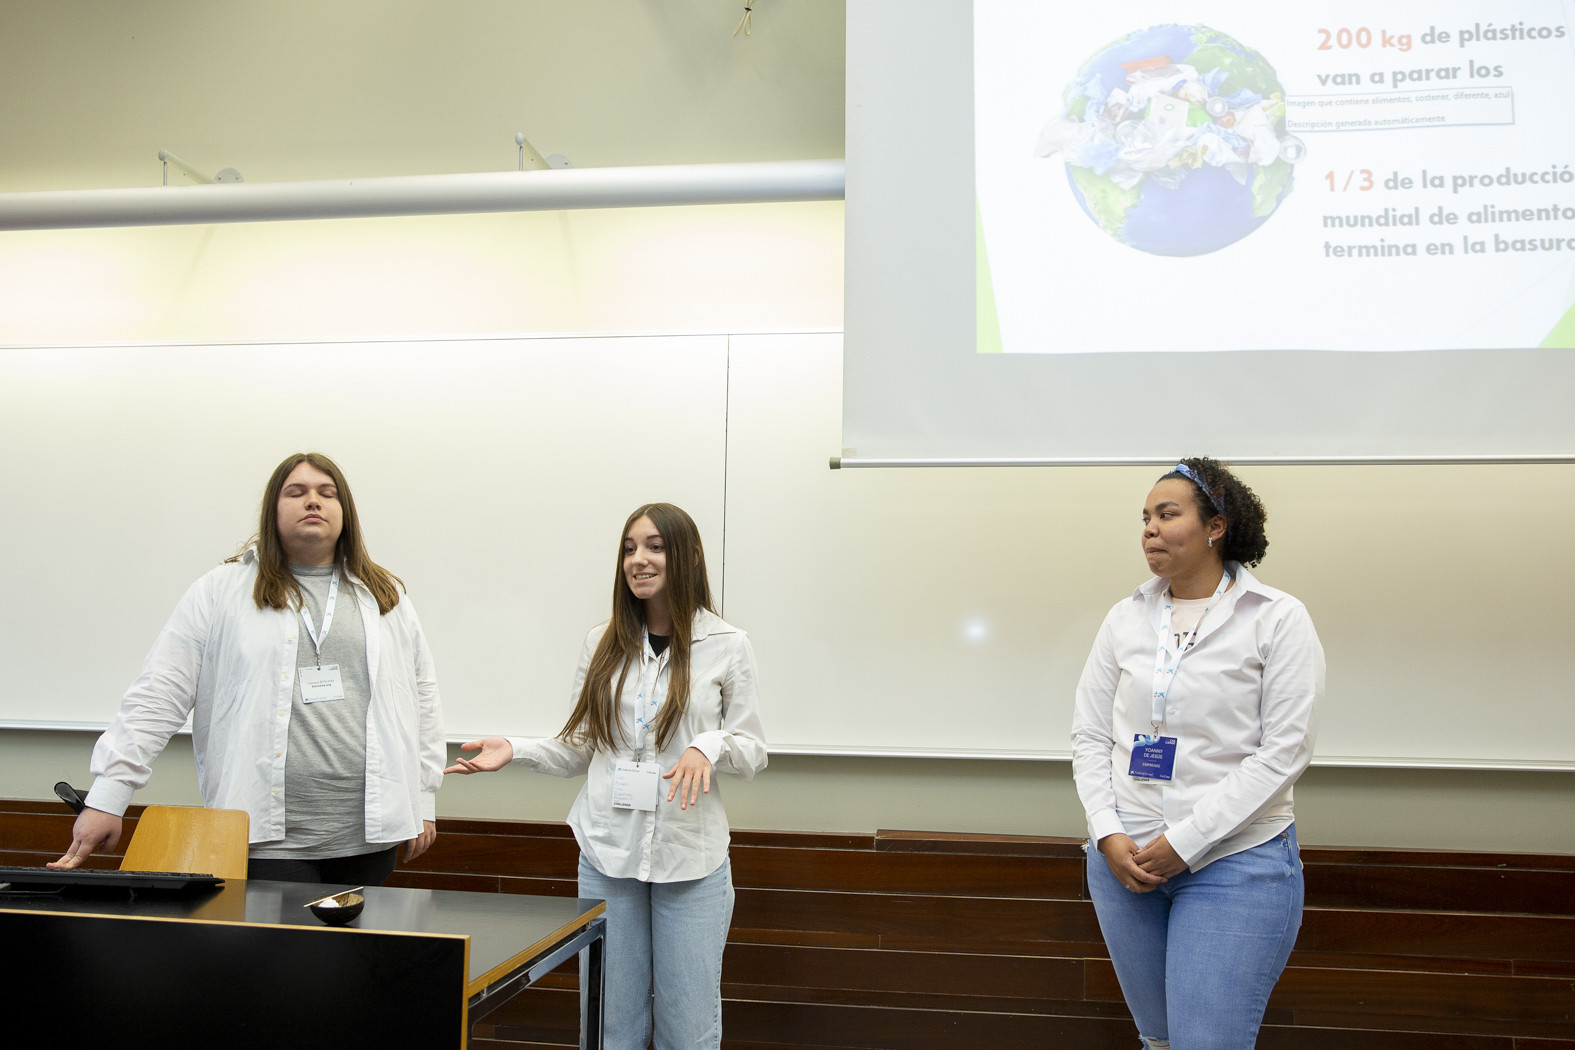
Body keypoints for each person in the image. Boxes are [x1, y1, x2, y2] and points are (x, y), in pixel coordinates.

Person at [447, 502, 766, 1050]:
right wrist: (516, 748)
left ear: (687, 556)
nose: (637, 560)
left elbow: (752, 751)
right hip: (606, 852)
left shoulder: (727, 644)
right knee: (609, 1025)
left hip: (690, 859)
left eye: (654, 547)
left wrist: (707, 746)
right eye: (628, 548)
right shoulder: (602, 642)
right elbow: (579, 748)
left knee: (688, 1031)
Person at [52, 451, 444, 885]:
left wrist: (422, 799)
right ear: (272, 511)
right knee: (276, 954)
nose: (312, 501)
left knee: (355, 953)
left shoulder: (383, 595)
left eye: (326, 493)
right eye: (296, 492)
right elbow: (160, 692)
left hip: (369, 836)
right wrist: (109, 796)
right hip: (262, 835)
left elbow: (422, 697)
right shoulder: (221, 591)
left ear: (344, 511)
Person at [1071, 457, 1324, 1050]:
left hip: (1235, 863)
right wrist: (1106, 832)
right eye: (1145, 518)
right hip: (1123, 860)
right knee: (1158, 1041)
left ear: (1216, 527)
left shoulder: (1277, 619)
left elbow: (1284, 752)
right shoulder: (1125, 617)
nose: (1150, 530)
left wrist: (1184, 844)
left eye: (1167, 514)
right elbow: (1089, 735)